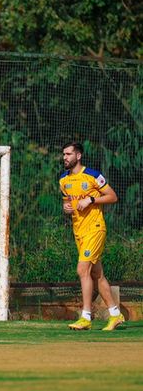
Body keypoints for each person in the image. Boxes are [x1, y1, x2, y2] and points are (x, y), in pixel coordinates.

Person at [60, 142, 124, 331]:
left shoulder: (93, 176)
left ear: (78, 156)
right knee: (97, 274)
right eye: (63, 154)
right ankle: (115, 314)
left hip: (95, 229)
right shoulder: (63, 180)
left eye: (68, 154)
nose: (65, 157)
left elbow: (112, 196)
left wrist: (91, 199)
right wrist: (66, 208)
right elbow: (68, 205)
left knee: (82, 270)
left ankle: (86, 316)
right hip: (78, 231)